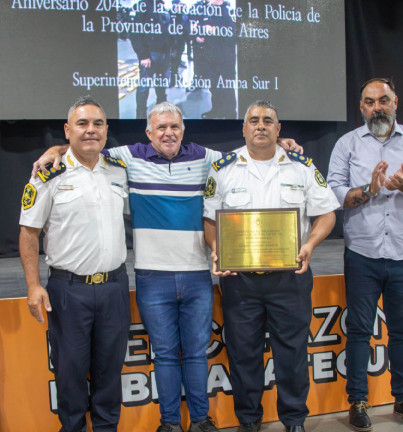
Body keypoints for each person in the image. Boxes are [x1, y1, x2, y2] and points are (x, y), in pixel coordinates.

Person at [33, 101, 303, 432]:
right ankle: (170, 423)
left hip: (196, 275)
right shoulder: (128, 158)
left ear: (184, 130)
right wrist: (57, 148)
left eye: (174, 126)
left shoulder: (206, 159)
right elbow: (87, 145)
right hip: (151, 276)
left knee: (195, 354)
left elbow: (249, 153)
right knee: (164, 355)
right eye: (160, 128)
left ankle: (201, 420)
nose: (168, 133)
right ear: (148, 133)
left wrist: (281, 145)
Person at [203, 101, 339, 432]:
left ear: (279, 130)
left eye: (268, 121)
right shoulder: (222, 169)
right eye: (254, 121)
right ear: (244, 128)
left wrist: (309, 245)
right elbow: (209, 220)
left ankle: (294, 420)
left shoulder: (302, 166)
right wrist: (217, 248)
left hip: (289, 279)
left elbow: (327, 214)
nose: (260, 125)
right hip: (240, 281)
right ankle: (248, 420)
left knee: (292, 355)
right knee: (243, 355)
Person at [327, 78, 403, 431]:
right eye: (369, 101)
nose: (377, 107)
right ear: (360, 107)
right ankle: (357, 402)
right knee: (360, 330)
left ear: (396, 102)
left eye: (383, 100)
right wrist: (370, 189)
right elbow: (334, 193)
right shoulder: (346, 144)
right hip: (362, 253)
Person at [19, 96, 131, 432]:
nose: (90, 130)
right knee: (69, 373)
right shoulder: (47, 173)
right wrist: (33, 285)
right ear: (67, 131)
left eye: (98, 124)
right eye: (82, 124)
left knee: (110, 372)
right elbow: (28, 233)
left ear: (106, 130)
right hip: (69, 291)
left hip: (114, 287)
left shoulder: (119, 171)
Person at [192, 0, 237, 119]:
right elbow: (197, 26)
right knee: (214, 86)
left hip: (225, 58)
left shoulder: (228, 11)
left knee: (227, 87)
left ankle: (230, 115)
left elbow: (234, 34)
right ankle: (216, 110)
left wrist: (215, 30)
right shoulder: (207, 10)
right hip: (210, 57)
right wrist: (197, 36)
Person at [130, 0, 174, 118]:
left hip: (164, 54)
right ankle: (140, 116)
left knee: (161, 83)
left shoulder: (163, 6)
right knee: (144, 86)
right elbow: (135, 32)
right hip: (150, 54)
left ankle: (161, 109)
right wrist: (143, 55)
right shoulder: (142, 5)